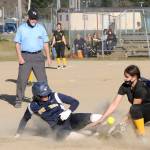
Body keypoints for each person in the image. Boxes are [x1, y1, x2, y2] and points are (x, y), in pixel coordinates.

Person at [15, 82, 102, 140]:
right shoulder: (32, 106)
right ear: (36, 95)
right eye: (43, 95)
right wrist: (18, 133)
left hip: (70, 119)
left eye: (47, 94)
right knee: (82, 136)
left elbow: (75, 102)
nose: (46, 97)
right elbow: (24, 119)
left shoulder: (55, 96)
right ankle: (95, 134)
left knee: (94, 117)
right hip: (58, 129)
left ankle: (110, 124)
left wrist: (68, 111)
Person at [87, 65, 150, 137]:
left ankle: (141, 137)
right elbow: (114, 104)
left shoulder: (140, 88)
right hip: (140, 111)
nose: (124, 79)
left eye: (127, 77)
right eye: (124, 76)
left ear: (134, 77)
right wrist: (101, 119)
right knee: (130, 122)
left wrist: (123, 122)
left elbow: (134, 108)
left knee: (133, 113)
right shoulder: (125, 86)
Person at [14, 8, 51, 108]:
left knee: (43, 80)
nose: (34, 20)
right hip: (25, 56)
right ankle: (18, 99)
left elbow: (45, 43)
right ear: (28, 18)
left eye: (35, 19)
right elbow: (17, 44)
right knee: (22, 80)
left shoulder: (41, 28)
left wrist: (48, 57)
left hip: (38, 57)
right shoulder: (21, 28)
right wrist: (20, 57)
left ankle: (44, 99)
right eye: (32, 19)